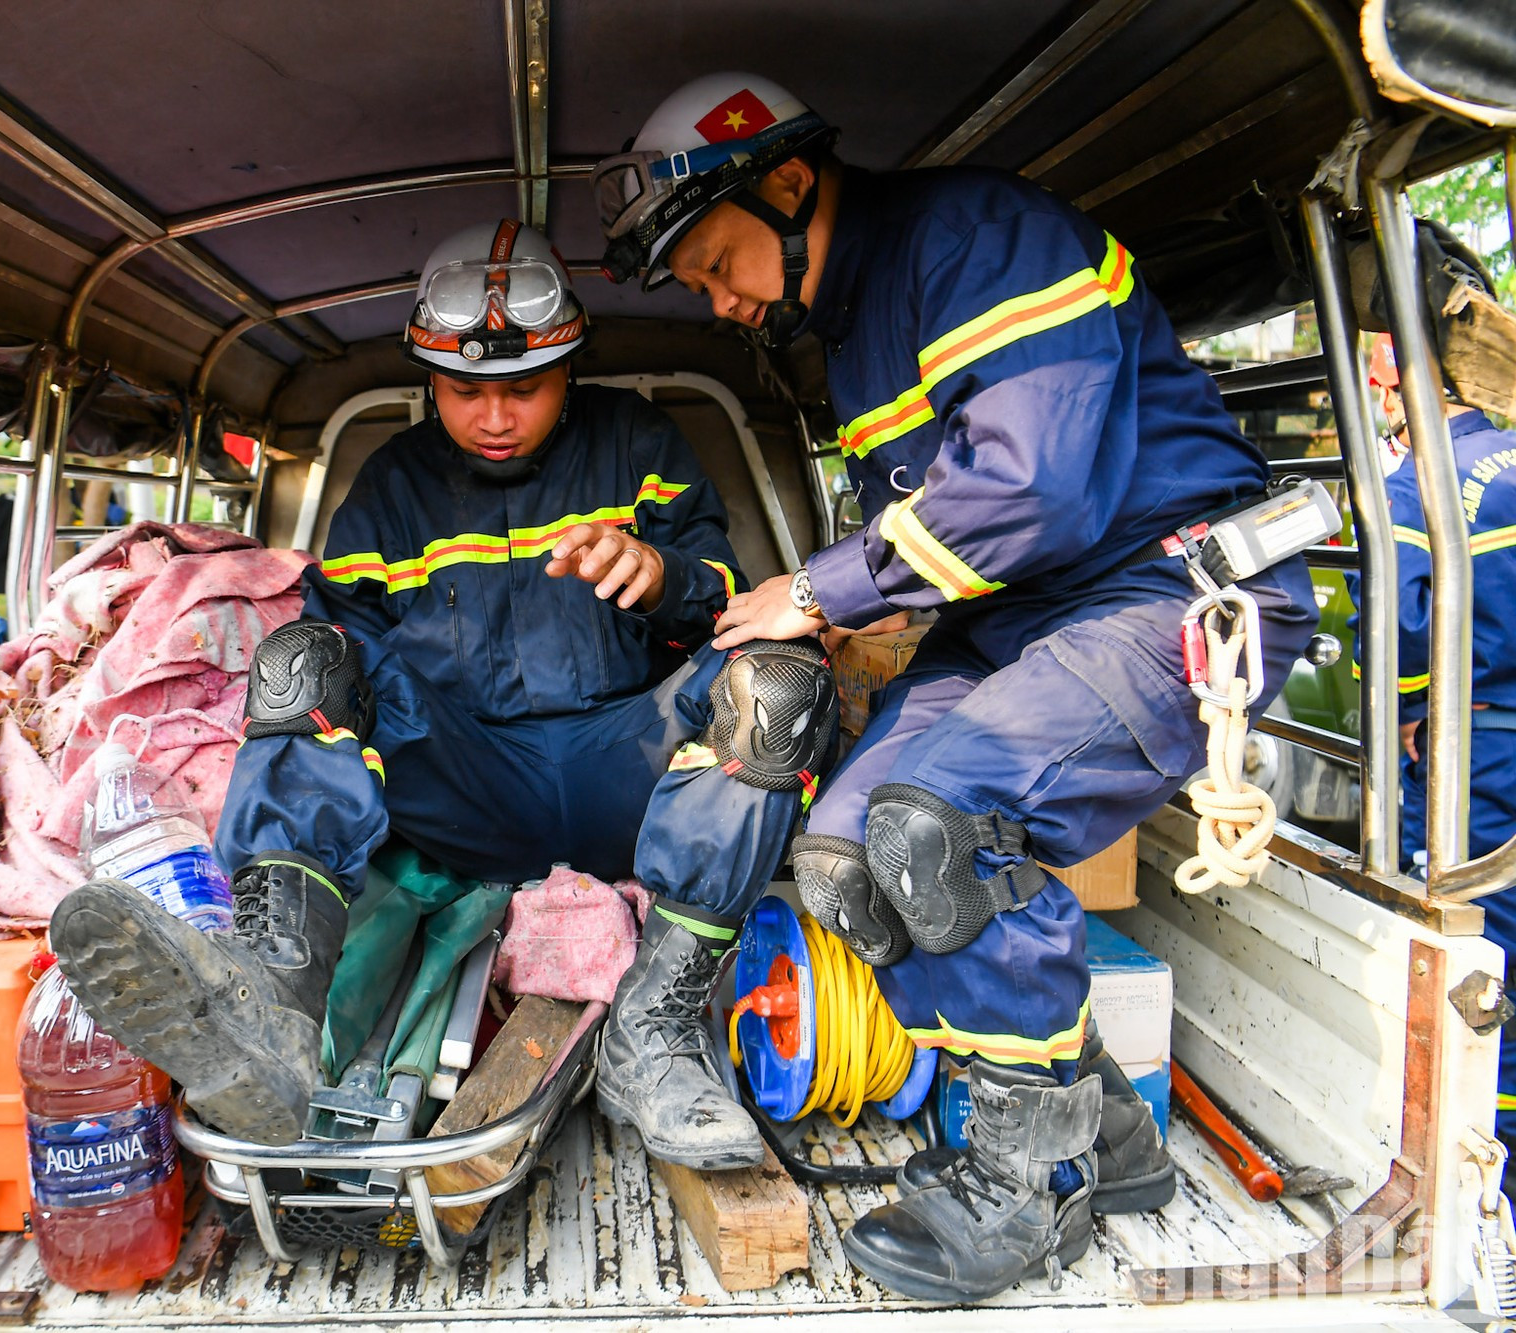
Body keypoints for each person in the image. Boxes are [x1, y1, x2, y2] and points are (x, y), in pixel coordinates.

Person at [594, 73, 1319, 1301]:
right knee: (841, 860)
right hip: (1018, 621)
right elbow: (943, 532)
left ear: (785, 185)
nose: (716, 301)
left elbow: (1038, 491)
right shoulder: (848, 324)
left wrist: (815, 594)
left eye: (715, 262)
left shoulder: (976, 239)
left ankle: (1029, 1188)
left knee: (935, 827)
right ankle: (1111, 1137)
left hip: (1160, 595)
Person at [52, 219, 839, 1167]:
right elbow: (344, 647)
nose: (495, 416)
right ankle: (272, 1006)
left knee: (782, 682)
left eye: (525, 389)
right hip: (463, 782)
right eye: (466, 391)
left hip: (632, 773)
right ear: (429, 378)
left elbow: (727, 596)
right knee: (306, 656)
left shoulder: (642, 444)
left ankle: (654, 1037)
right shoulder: (391, 487)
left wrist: (663, 574)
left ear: (572, 369)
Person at [1346, 332, 1516, 1162]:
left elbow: (1400, 628)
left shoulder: (1420, 482)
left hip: (1480, 762)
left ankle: (1494, 1171)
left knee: (1485, 962)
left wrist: (1410, 710)